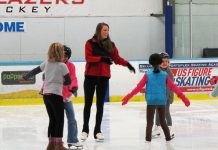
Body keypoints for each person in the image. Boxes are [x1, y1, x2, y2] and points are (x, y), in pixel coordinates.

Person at [81, 22, 136, 141]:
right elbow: (88, 58)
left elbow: (117, 58)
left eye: (107, 30)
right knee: (88, 103)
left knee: (100, 104)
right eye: (104, 30)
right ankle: (85, 129)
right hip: (90, 76)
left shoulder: (111, 45)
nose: (106, 32)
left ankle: (97, 130)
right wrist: (101, 59)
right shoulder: (90, 43)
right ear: (98, 31)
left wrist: (128, 65)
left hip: (103, 78)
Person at [122, 53, 190, 142]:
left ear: (150, 63)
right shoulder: (165, 75)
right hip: (162, 100)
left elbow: (138, 87)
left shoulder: (148, 74)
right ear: (160, 62)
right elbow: (173, 87)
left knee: (149, 123)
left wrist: (128, 97)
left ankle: (148, 139)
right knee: (162, 121)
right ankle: (168, 138)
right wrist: (184, 98)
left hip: (151, 101)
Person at [22, 42, 71, 150]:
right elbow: (68, 82)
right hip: (56, 95)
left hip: (46, 95)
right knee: (59, 120)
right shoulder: (63, 65)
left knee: (52, 119)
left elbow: (35, 71)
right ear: (60, 53)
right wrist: (59, 81)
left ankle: (50, 144)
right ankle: (58, 145)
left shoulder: (47, 63)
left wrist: (26, 76)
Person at [62, 45, 83, 149]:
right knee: (57, 121)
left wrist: (74, 87)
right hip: (56, 97)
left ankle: (72, 140)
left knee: (72, 119)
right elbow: (48, 79)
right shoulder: (55, 65)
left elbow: (73, 78)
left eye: (66, 55)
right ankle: (56, 142)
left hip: (67, 97)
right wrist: (44, 89)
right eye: (62, 55)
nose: (64, 57)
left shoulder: (71, 66)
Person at [152, 52, 174, 137]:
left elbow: (169, 87)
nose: (165, 63)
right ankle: (157, 128)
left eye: (166, 61)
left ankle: (170, 128)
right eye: (162, 61)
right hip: (158, 96)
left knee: (165, 111)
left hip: (166, 96)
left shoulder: (169, 73)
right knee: (157, 111)